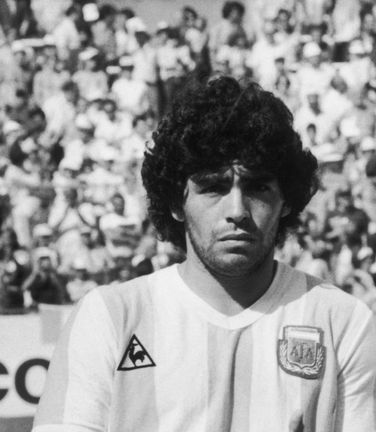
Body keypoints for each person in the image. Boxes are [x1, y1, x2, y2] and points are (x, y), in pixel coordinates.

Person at [34, 76, 376, 431]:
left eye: (257, 187)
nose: (238, 210)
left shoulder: (342, 322)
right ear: (176, 203)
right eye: (214, 187)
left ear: (286, 199)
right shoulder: (109, 317)